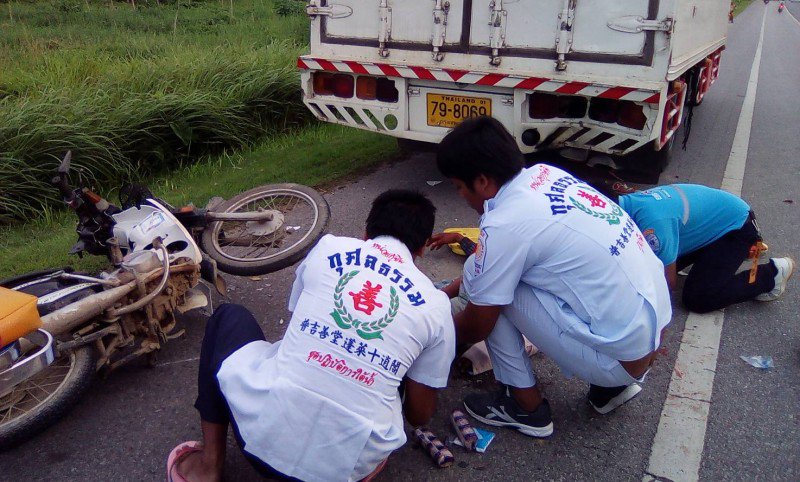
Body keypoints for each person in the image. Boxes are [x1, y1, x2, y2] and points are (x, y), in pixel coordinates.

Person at [167, 190, 456, 482]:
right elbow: (419, 415)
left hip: (258, 443)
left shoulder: (329, 247)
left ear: (366, 232)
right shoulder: (436, 305)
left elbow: (297, 315)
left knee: (228, 317)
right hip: (348, 470)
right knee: (400, 369)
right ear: (421, 249)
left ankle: (209, 466)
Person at [435, 116, 672, 437]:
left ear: (481, 181)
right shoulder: (545, 175)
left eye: (459, 187)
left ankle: (525, 406)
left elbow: (478, 322)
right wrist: (445, 294)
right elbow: (482, 264)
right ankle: (609, 388)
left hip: (619, 361)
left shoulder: (505, 223)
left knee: (494, 298)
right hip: (647, 337)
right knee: (499, 277)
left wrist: (424, 330)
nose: (461, 195)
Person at [618, 185, 794, 314]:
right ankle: (725, 256)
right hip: (714, 226)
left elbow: (667, 284)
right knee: (644, 271)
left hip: (737, 230)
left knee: (698, 298)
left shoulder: (653, 226)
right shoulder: (629, 202)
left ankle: (772, 274)